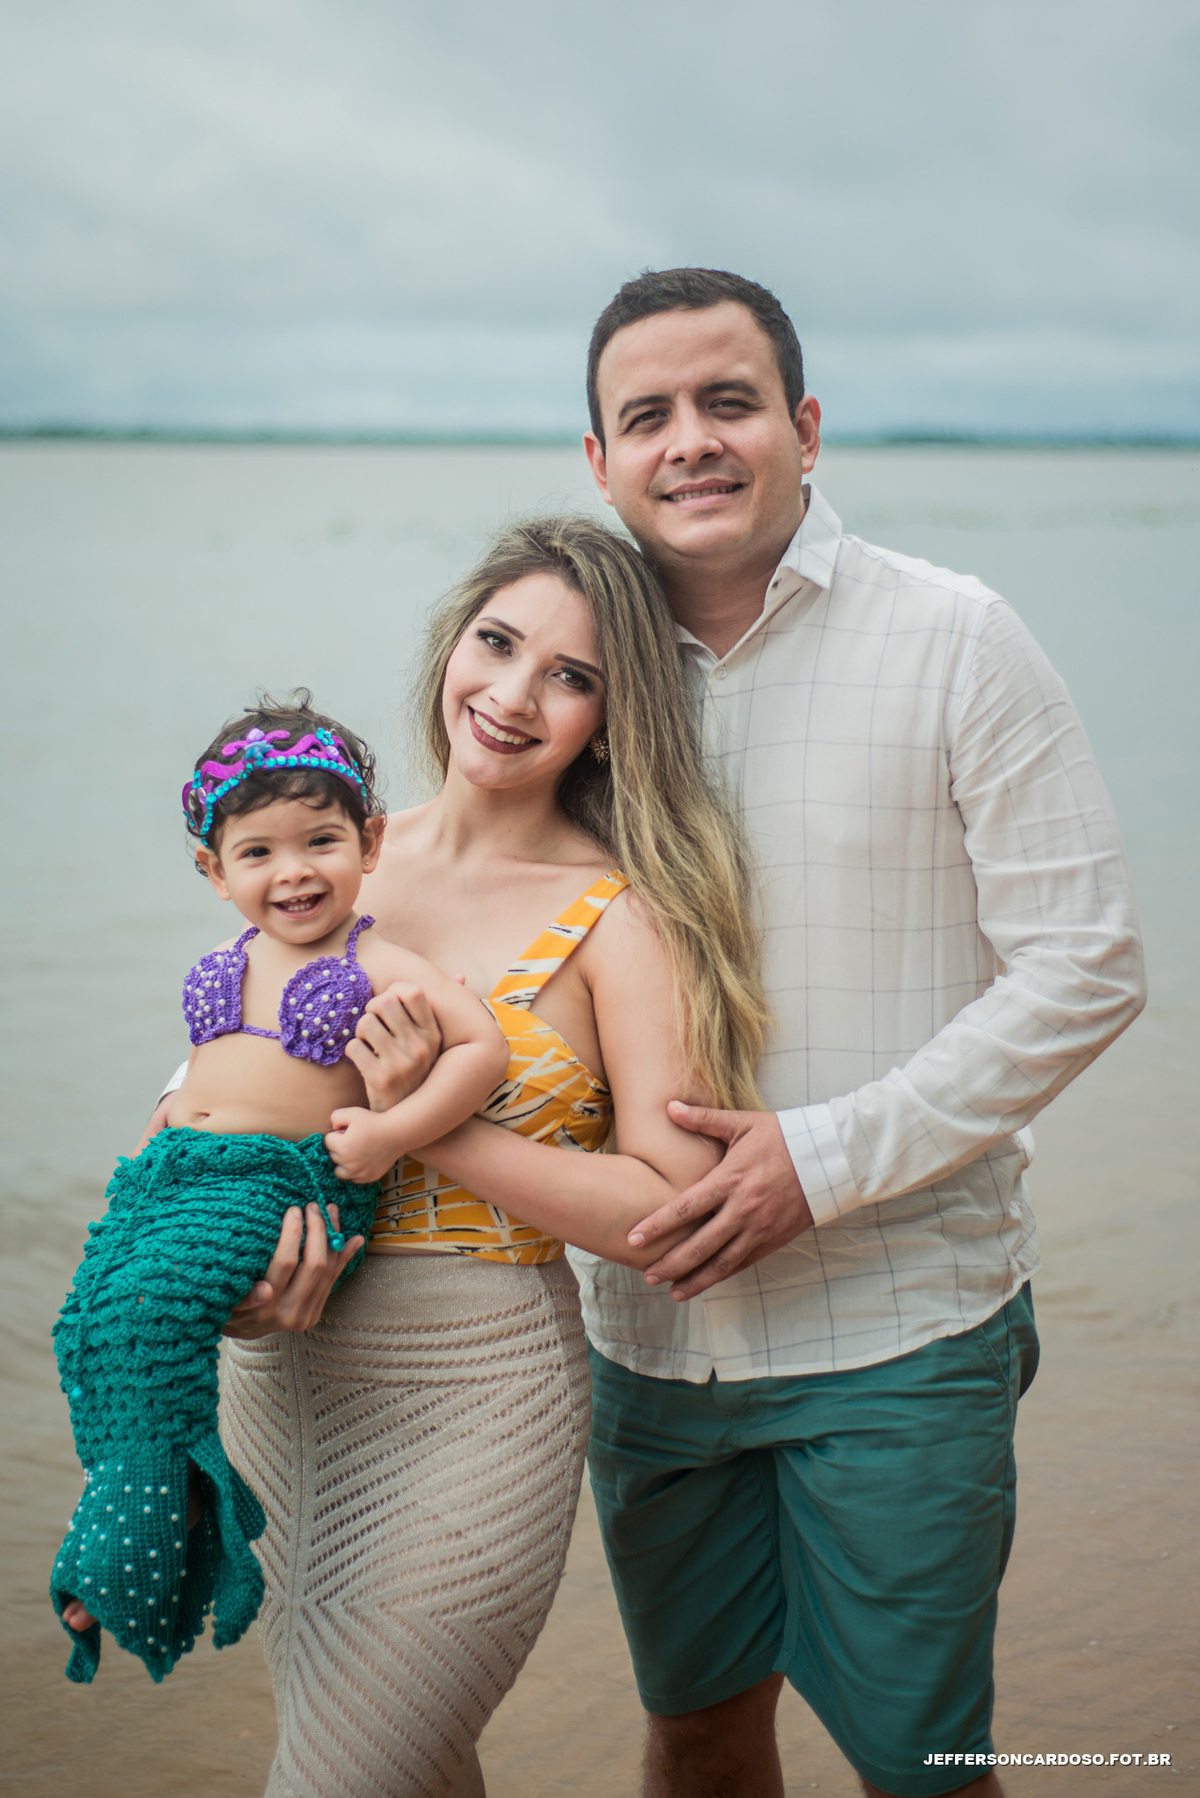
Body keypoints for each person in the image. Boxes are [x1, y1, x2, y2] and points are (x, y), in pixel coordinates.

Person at [351, 270, 1145, 1798]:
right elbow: (435, 919)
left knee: (924, 1765)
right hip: (649, 1339)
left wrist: (824, 1160)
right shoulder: (573, 677)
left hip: (898, 1321)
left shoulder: (956, 639)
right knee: (699, 1732)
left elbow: (1086, 968)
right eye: (646, 415)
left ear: (805, 425)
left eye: (730, 402)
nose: (691, 442)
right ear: (598, 460)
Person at [208, 518, 770, 1797]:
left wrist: (433, 1123)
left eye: (572, 675)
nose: (514, 695)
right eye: (498, 643)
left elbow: (664, 1208)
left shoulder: (620, 916)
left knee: (341, 1778)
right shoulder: (325, 856)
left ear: (615, 716)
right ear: (452, 646)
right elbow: (212, 1102)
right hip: (287, 1382)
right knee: (410, 1770)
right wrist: (226, 1286)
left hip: (477, 1392)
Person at [52, 695, 506, 1686]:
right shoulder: (233, 958)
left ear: (369, 842)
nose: (293, 869)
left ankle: (151, 1529)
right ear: (215, 873)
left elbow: (483, 1047)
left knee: (153, 1312)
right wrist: (148, 1154)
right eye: (257, 852)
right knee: (88, 1325)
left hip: (274, 1187)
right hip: (177, 1178)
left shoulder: (378, 960)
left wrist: (391, 1133)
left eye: (321, 840)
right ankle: (167, 1493)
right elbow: (200, 1082)